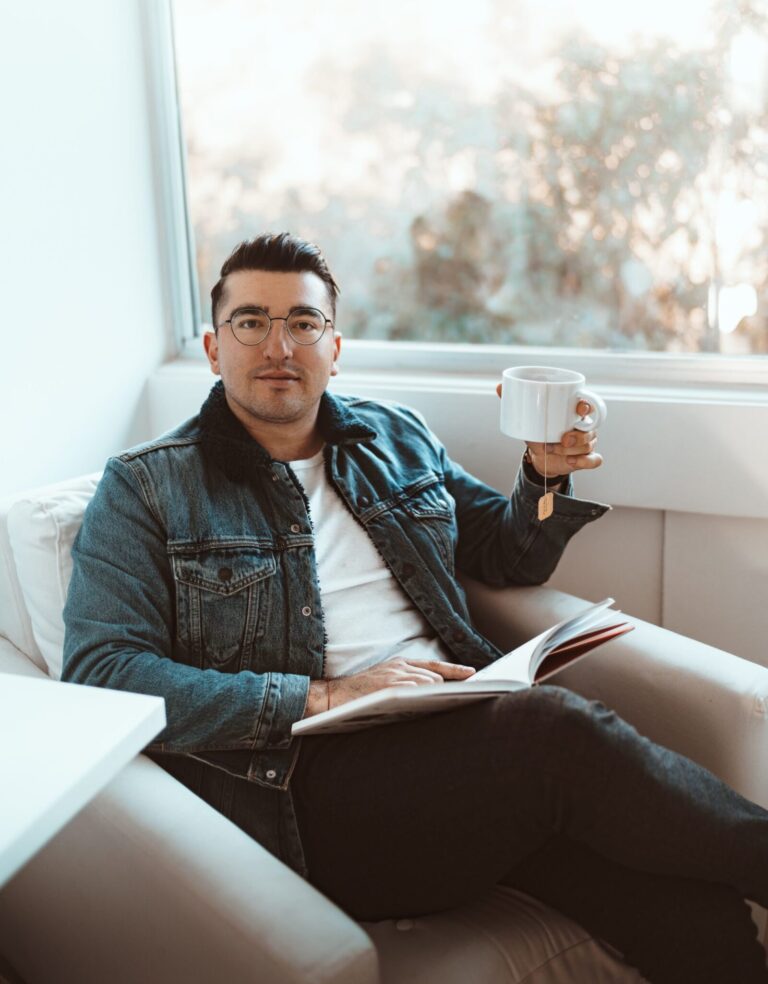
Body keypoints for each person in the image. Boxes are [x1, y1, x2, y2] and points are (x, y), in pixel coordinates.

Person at [62, 232, 768, 983]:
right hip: (308, 794)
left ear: (335, 347)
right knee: (553, 728)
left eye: (303, 323)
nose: (279, 344)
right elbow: (104, 673)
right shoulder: (144, 488)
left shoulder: (395, 437)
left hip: (463, 753)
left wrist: (543, 476)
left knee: (694, 911)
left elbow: (503, 556)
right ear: (212, 347)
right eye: (251, 321)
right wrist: (330, 693)